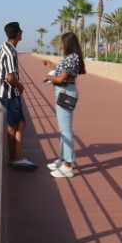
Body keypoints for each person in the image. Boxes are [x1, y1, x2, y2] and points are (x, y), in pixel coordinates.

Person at [42, 32, 86, 179]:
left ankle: (68, 166)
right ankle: (62, 160)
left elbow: (61, 79)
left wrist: (47, 76)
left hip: (65, 92)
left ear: (68, 44)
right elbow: (65, 73)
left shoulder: (72, 58)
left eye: (62, 43)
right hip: (65, 91)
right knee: (64, 130)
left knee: (66, 131)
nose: (61, 46)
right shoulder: (72, 57)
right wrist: (52, 66)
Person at [0, 22, 37, 170]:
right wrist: (21, 86)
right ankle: (13, 158)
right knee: (13, 125)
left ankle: (17, 157)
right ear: (18, 34)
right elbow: (10, 77)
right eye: (21, 31)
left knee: (21, 123)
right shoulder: (10, 52)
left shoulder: (4, 47)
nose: (22, 33)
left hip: (10, 93)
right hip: (10, 94)